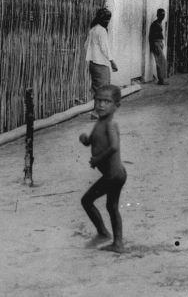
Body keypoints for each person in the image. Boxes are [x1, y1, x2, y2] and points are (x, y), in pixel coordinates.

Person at [79, 84, 127, 253]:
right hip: (113, 174)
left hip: (114, 175)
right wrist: (85, 140)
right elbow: (92, 141)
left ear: (116, 106)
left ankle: (107, 235)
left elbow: (114, 147)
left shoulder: (110, 125)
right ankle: (113, 240)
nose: (101, 104)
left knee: (87, 201)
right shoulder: (100, 122)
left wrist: (97, 159)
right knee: (111, 207)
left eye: (107, 101)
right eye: (98, 100)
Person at [85, 8, 118, 95]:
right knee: (104, 88)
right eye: (107, 19)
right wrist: (112, 61)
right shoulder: (101, 31)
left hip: (92, 63)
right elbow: (105, 48)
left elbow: (86, 45)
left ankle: (96, 105)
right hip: (101, 64)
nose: (108, 22)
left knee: (96, 88)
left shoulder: (92, 29)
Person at [149, 8, 167, 85]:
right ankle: (161, 80)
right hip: (156, 43)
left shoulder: (160, 23)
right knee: (161, 61)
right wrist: (153, 46)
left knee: (160, 61)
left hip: (159, 43)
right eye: (161, 14)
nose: (162, 16)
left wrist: (162, 43)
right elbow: (151, 36)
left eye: (163, 14)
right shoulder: (155, 24)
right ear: (157, 15)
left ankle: (161, 79)